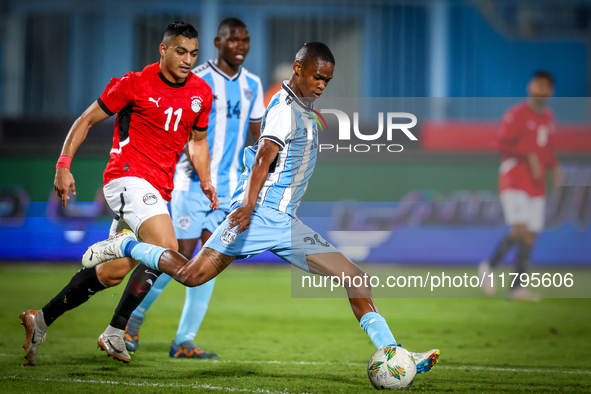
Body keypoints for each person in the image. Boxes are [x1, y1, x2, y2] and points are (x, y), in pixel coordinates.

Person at [84, 42, 440, 374]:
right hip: (255, 217)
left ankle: (395, 355)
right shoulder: (284, 109)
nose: (322, 85)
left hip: (284, 222)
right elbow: (264, 157)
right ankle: (124, 245)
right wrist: (248, 205)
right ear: (298, 68)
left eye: (327, 80)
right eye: (317, 76)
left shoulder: (305, 108)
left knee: (356, 278)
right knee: (192, 276)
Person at [19, 21, 217, 366]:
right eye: (181, 51)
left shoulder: (201, 92)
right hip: (126, 179)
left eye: (194, 53)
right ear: (164, 49)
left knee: (112, 273)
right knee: (167, 248)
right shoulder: (134, 84)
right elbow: (85, 120)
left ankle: (42, 318)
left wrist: (206, 179)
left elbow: (197, 141)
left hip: (159, 189)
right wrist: (63, 165)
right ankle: (116, 331)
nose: (188, 59)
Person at [123, 17, 265, 359]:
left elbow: (258, 136)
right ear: (218, 43)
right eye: (234, 40)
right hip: (191, 183)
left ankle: (184, 341)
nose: (241, 46)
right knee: (179, 256)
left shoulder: (253, 85)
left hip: (230, 191)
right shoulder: (197, 77)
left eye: (245, 40)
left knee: (210, 259)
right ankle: (130, 321)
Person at [479, 70, 561, 300]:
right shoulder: (517, 114)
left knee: (532, 234)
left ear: (551, 91)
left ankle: (516, 287)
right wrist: (529, 155)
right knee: (520, 229)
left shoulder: (548, 118)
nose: (541, 90)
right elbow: (502, 143)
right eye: (538, 85)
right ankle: (488, 266)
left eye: (546, 86)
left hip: (537, 184)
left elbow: (547, 150)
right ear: (530, 87)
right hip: (515, 179)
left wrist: (554, 167)